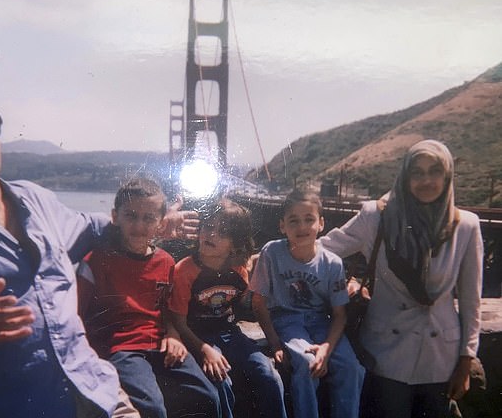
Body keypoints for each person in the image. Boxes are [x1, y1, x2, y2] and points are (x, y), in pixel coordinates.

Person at [0, 89, 198, 418]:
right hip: (15, 405)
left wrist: (157, 225)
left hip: (96, 389)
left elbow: (94, 228)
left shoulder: (36, 200)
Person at [320, 139, 483, 418]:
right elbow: (322, 249)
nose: (426, 180)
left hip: (440, 358)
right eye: (416, 173)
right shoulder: (376, 216)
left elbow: (471, 300)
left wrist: (466, 359)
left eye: (435, 171)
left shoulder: (466, 225)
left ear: (448, 176)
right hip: (386, 354)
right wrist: (267, 257)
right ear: (405, 177)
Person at [77, 178, 221, 418]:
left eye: (149, 218)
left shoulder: (165, 261)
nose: (139, 226)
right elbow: (76, 314)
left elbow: (164, 307)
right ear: (115, 216)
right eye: (131, 216)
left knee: (208, 396)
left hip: (159, 343)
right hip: (122, 349)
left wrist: (173, 336)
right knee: (153, 408)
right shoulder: (97, 260)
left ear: (161, 222)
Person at [169, 198, 288, 418]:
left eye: (222, 232)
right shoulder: (184, 271)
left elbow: (242, 302)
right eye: (208, 227)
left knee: (269, 374)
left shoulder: (238, 269)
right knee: (220, 379)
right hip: (198, 336)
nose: (211, 234)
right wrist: (205, 350)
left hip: (230, 334)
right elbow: (179, 322)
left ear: (235, 243)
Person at [250, 190, 365, 418]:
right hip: (287, 320)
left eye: (309, 219)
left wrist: (327, 348)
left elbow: (339, 313)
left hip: (322, 323)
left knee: (351, 368)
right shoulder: (271, 253)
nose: (302, 227)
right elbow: (258, 302)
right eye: (294, 221)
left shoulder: (332, 263)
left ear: (321, 223)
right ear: (282, 225)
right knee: (305, 362)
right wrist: (275, 344)